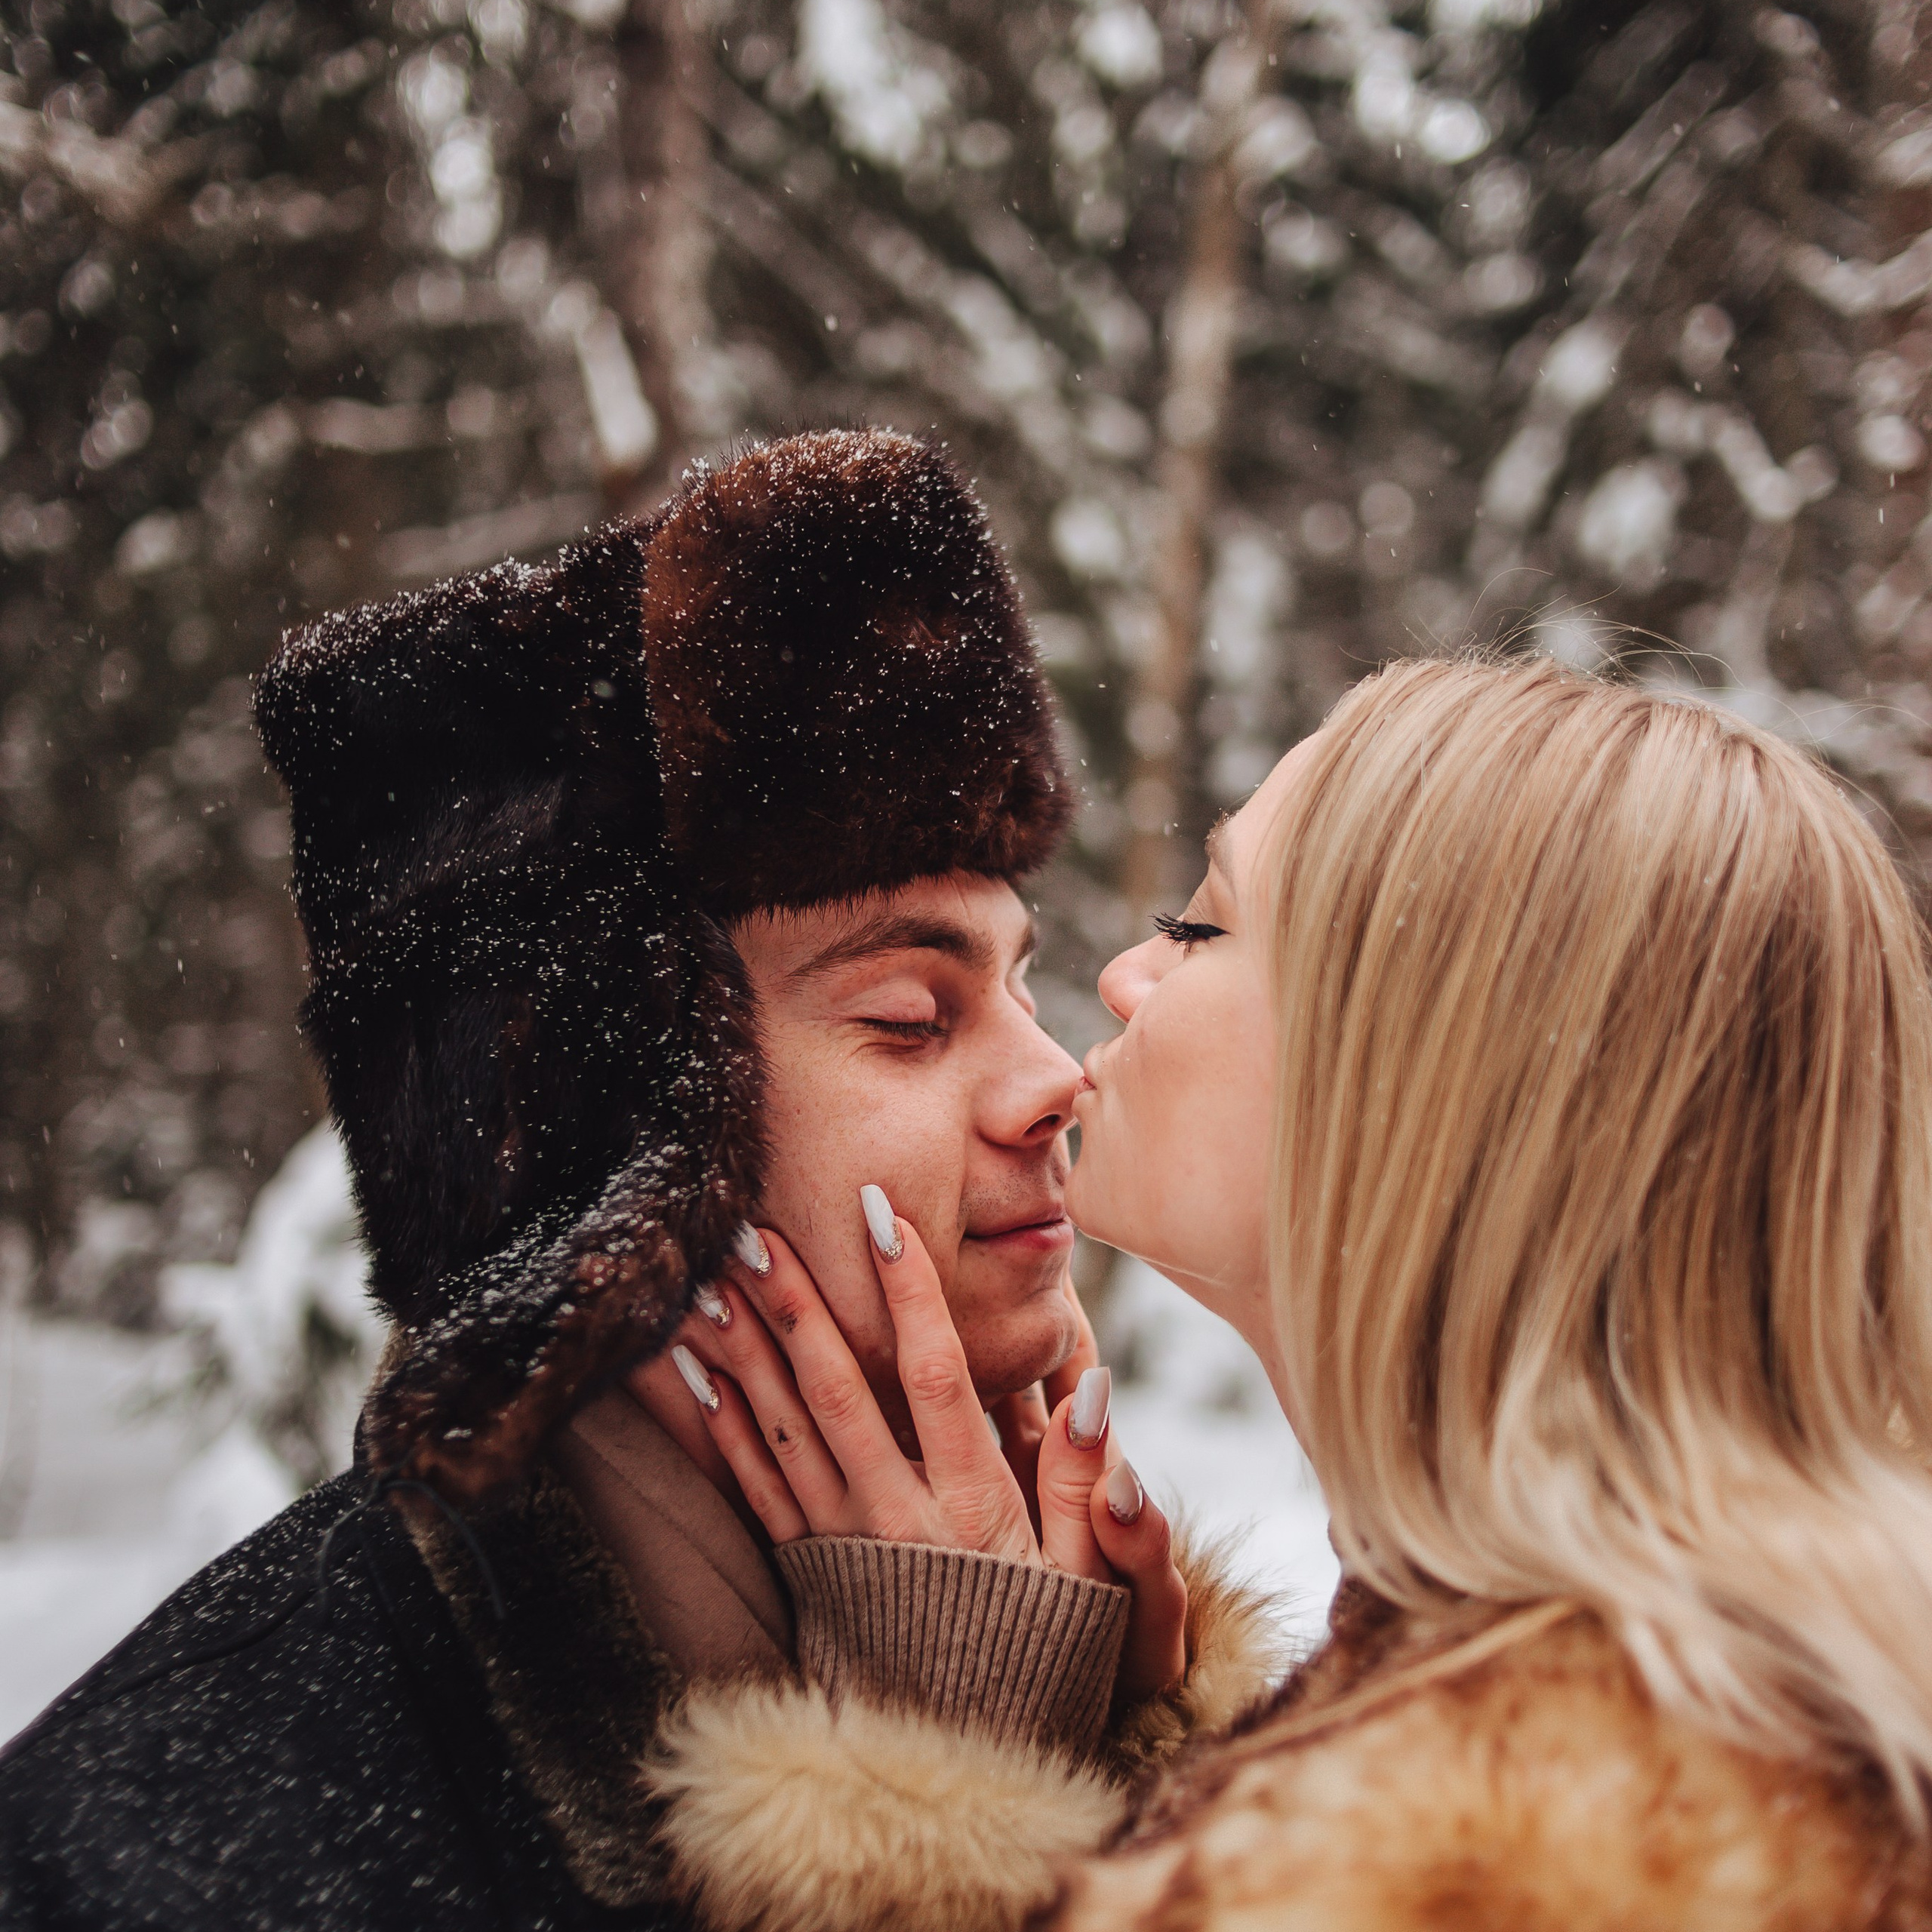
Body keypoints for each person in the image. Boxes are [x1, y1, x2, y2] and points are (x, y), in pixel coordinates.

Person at [0, 432, 1278, 1930]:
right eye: (908, 1017)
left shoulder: (1108, 1655)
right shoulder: (180, 1852)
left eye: (1019, 979)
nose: (1055, 1072)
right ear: (607, 1132)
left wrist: (1090, 1775)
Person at [694, 653, 1932, 1930]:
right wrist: (1139, 1767)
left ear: (1427, 1079)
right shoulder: (1700, 1711)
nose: (1119, 986)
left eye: (1202, 927)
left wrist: (938, 1816)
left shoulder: (1519, 1848)